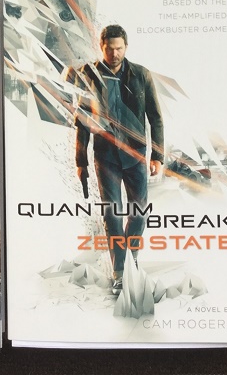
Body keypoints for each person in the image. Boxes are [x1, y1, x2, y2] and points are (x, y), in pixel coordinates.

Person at [67, 25, 163, 295]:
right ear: (102, 47)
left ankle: (131, 258)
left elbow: (155, 117)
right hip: (105, 156)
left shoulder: (141, 75)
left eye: (119, 48)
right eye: (109, 49)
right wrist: (81, 162)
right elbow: (82, 121)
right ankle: (120, 272)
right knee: (112, 215)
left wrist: (157, 156)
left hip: (136, 155)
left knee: (139, 213)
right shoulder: (89, 75)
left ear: (126, 47)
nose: (114, 54)